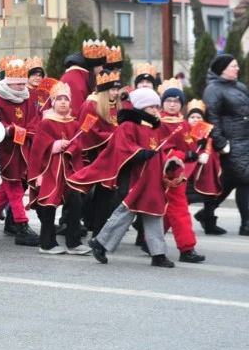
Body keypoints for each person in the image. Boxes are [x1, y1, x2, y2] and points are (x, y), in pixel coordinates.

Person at [76, 88, 183, 267]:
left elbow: (157, 154)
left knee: (153, 212)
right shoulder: (128, 125)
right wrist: (139, 153)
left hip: (151, 178)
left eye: (157, 106)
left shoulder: (152, 128)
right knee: (127, 211)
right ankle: (102, 243)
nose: (156, 110)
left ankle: (157, 253)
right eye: (152, 107)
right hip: (135, 177)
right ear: (142, 107)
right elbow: (121, 146)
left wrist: (168, 163)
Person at [0, 58, 41, 246]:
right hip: (5, 147)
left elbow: (33, 119)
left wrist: (28, 131)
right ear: (10, 82)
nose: (22, 86)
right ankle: (22, 225)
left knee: (10, 186)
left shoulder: (28, 97)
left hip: (23, 146)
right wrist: (10, 130)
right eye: (18, 83)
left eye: (23, 82)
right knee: (14, 185)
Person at [26, 82, 91, 255]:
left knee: (75, 203)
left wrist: (71, 147)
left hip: (68, 172)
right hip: (50, 172)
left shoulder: (75, 123)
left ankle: (74, 241)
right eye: (59, 99)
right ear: (52, 102)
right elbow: (38, 148)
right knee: (49, 205)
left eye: (66, 100)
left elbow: (79, 145)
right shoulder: (46, 123)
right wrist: (55, 145)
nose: (63, 102)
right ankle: (47, 243)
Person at [150, 81, 206, 263]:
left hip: (180, 173)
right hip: (165, 172)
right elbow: (161, 149)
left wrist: (199, 148)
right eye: (168, 100)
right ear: (162, 102)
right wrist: (184, 155)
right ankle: (186, 248)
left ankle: (148, 241)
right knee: (177, 209)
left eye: (176, 101)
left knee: (170, 210)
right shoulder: (158, 123)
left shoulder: (184, 123)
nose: (172, 104)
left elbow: (192, 145)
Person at [203, 54, 249, 236]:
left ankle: (206, 215)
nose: (237, 69)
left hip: (245, 140)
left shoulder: (239, 87)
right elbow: (212, 118)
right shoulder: (213, 89)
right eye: (233, 66)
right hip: (232, 142)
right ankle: (246, 224)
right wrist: (221, 142)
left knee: (230, 182)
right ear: (222, 69)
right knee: (245, 180)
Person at [75, 71, 122, 235]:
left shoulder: (113, 104)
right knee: (87, 190)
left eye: (117, 90)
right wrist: (114, 137)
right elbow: (87, 131)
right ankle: (75, 221)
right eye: (112, 90)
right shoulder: (91, 105)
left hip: (111, 152)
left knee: (106, 191)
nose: (115, 93)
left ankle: (94, 223)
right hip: (93, 152)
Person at [183, 99, 226, 234]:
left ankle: (209, 224)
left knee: (210, 199)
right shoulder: (183, 132)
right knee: (185, 200)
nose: (195, 120)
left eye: (198, 117)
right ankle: (181, 224)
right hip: (190, 172)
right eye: (192, 117)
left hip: (207, 172)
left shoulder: (209, 132)